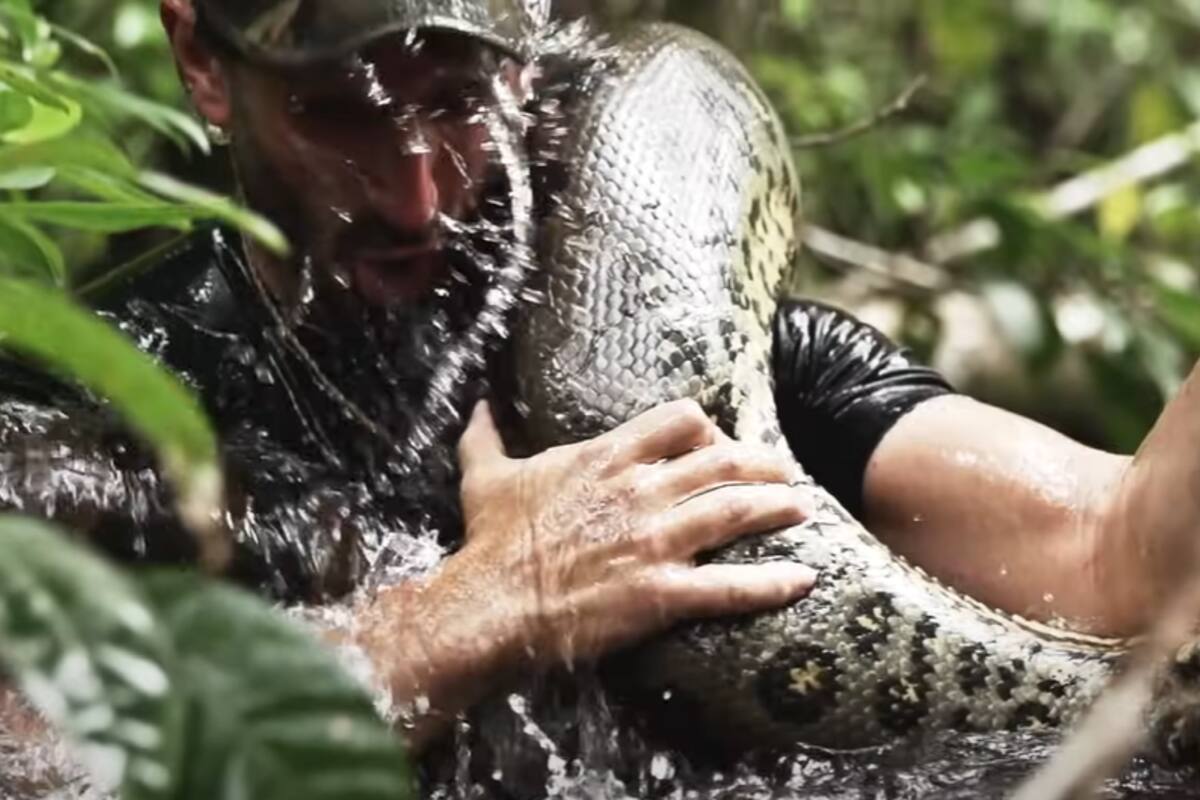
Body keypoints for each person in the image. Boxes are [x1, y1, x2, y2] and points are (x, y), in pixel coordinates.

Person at [3, 0, 1200, 769]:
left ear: (524, 67)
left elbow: (1111, 556)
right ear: (202, 63)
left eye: (457, 101)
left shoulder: (701, 353)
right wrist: (487, 602)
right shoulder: (92, 384)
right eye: (337, 115)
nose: (416, 192)